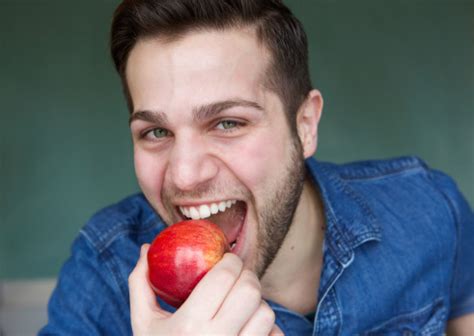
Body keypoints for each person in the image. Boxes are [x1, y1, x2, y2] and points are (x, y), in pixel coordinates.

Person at [40, 0, 474, 334]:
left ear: (304, 126)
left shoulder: (430, 211)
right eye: (156, 132)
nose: (185, 175)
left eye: (228, 123)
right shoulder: (105, 273)